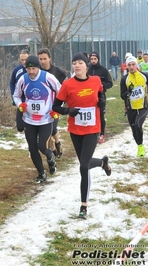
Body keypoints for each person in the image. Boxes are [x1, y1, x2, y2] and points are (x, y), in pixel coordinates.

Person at [52, 52, 112, 219]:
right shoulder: (67, 84)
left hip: (92, 129)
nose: (77, 65)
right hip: (76, 130)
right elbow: (56, 106)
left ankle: (83, 206)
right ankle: (102, 162)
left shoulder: (95, 81)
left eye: (80, 62)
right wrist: (68, 111)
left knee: (83, 167)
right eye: (74, 63)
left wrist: (102, 103)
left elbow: (100, 98)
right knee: (83, 163)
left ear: (86, 65)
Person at [13, 55, 61, 183]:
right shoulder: (23, 80)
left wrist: (57, 109)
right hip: (29, 119)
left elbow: (61, 93)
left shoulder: (48, 78)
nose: (31, 72)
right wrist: (20, 105)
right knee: (32, 148)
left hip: (46, 119)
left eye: (34, 69)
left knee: (42, 146)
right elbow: (16, 96)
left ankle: (50, 156)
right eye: (28, 69)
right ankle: (41, 173)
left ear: (38, 67)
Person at [37, 48, 67, 158]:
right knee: (47, 131)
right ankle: (53, 150)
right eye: (40, 59)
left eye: (45, 59)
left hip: (55, 105)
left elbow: (65, 87)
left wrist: (64, 102)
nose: (42, 61)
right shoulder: (37, 72)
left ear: (50, 58)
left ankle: (58, 142)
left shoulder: (58, 72)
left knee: (53, 129)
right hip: (41, 107)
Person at [120, 56, 148, 157]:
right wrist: (128, 92)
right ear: (127, 66)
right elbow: (122, 95)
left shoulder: (144, 76)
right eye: (129, 65)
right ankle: (139, 145)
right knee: (134, 129)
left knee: (138, 125)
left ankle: (141, 147)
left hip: (143, 107)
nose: (132, 67)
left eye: (133, 64)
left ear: (137, 65)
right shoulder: (124, 79)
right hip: (131, 108)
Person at [87, 51, 113, 143]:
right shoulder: (87, 69)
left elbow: (110, 83)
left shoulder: (103, 70)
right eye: (91, 59)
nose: (93, 61)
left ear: (98, 59)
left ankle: (102, 133)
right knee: (90, 114)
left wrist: (100, 85)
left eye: (95, 59)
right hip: (88, 95)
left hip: (100, 95)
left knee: (101, 114)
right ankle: (92, 133)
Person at [9, 49, 30, 132]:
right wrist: (14, 97)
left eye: (26, 59)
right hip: (21, 102)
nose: (24, 62)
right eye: (22, 60)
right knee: (20, 127)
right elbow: (11, 83)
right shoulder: (17, 70)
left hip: (33, 101)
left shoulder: (36, 69)